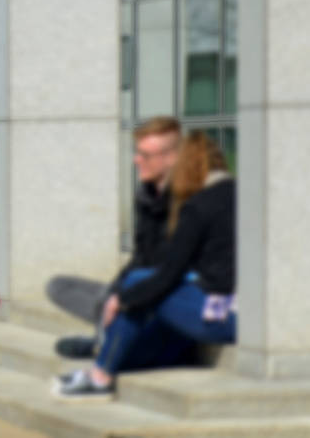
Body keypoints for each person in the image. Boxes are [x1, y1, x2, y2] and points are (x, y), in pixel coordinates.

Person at [54, 131, 236, 399]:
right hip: (253, 316)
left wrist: (123, 299)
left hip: (224, 317)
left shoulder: (199, 206)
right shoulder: (241, 196)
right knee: (150, 300)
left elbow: (168, 274)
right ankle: (119, 352)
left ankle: (101, 372)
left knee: (138, 283)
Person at [47, 117, 181, 359]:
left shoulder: (188, 202)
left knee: (125, 294)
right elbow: (141, 255)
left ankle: (105, 342)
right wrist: (117, 288)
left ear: (170, 157)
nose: (136, 160)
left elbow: (171, 269)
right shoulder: (147, 196)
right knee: (58, 286)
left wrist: (125, 295)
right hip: (137, 284)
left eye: (145, 155)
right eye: (137, 153)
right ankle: (107, 328)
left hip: (164, 290)